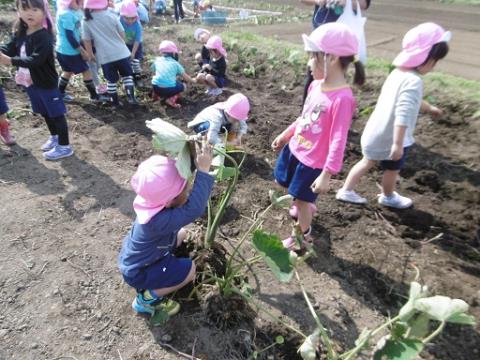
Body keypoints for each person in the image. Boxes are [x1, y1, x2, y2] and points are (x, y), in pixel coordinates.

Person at [271, 22, 365, 250]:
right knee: (282, 182)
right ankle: (304, 203)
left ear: (330, 58)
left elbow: (338, 139)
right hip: (295, 149)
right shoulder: (315, 86)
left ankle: (302, 237)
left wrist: (327, 174)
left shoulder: (342, 99)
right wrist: (286, 134)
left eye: (313, 57)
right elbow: (304, 118)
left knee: (302, 202)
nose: (309, 63)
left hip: (313, 162)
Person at [336, 22, 450, 209]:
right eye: (435, 62)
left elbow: (412, 101)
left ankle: (346, 190)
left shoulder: (397, 73)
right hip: (391, 138)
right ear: (426, 58)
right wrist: (397, 143)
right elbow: (403, 112)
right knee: (392, 168)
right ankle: (388, 196)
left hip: (374, 132)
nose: (434, 67)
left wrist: (429, 108)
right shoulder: (413, 81)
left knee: (366, 162)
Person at [118, 141, 214, 320]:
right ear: (170, 201)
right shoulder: (158, 221)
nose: (188, 190)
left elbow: (173, 175)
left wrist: (194, 157)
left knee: (182, 233)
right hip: (141, 272)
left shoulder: (153, 201)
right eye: (185, 190)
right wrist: (203, 172)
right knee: (190, 270)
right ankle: (146, 299)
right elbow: (194, 209)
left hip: (143, 257)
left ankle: (161, 270)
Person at [0, 0, 74, 160]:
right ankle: (54, 137)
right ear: (18, 11)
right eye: (25, 9)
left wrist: (10, 61)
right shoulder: (21, 32)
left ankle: (64, 146)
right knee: (45, 112)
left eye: (34, 9)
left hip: (46, 82)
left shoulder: (44, 36)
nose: (29, 13)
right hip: (30, 82)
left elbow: (36, 60)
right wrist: (2, 51)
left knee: (57, 114)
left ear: (44, 12)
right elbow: (10, 47)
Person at [300, 0, 371, 103]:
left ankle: (327, 109)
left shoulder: (343, 98)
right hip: (320, 37)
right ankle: (309, 111)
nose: (311, 61)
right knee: (314, 78)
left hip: (340, 42)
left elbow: (364, 3)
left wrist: (346, 2)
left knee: (334, 77)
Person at [82, 0, 138, 106]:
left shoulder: (86, 20)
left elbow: (87, 40)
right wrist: (121, 45)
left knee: (111, 81)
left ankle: (115, 103)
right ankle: (131, 97)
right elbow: (122, 33)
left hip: (105, 57)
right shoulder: (111, 14)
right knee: (127, 76)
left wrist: (90, 54)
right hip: (121, 53)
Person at [55, 0, 105, 102]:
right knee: (86, 71)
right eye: (78, 1)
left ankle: (60, 93)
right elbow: (70, 37)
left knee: (67, 71)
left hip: (62, 49)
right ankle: (94, 96)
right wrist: (82, 51)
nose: (81, 3)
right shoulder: (67, 15)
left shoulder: (72, 12)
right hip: (70, 50)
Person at [151, 40, 195, 108]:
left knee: (156, 80)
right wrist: (193, 80)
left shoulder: (157, 60)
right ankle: (170, 100)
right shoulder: (175, 63)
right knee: (183, 86)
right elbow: (186, 77)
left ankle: (155, 96)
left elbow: (153, 70)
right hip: (168, 90)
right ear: (174, 53)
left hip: (156, 88)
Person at [119, 0, 144, 87]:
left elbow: (137, 40)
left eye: (132, 18)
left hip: (136, 46)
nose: (130, 21)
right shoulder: (120, 21)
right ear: (122, 16)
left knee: (135, 62)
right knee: (126, 62)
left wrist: (133, 53)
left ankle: (138, 76)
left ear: (135, 16)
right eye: (127, 18)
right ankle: (128, 77)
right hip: (125, 44)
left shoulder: (137, 25)